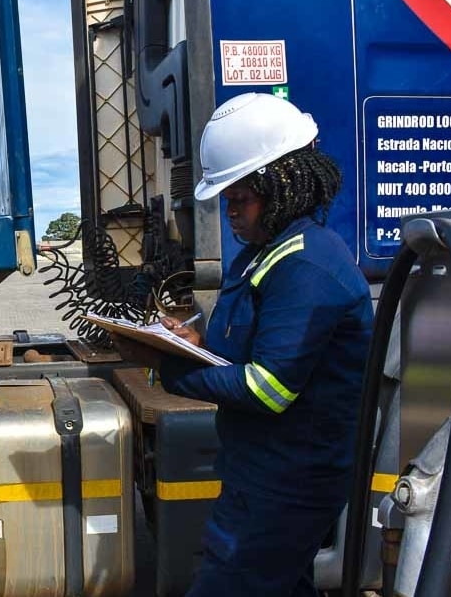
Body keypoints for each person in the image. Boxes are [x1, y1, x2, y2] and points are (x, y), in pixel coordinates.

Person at [111, 93, 373, 596]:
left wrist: (168, 369)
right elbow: (248, 342)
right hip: (261, 475)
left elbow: (269, 388)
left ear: (284, 186)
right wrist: (194, 340)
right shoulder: (263, 253)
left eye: (239, 199)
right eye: (226, 199)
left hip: (287, 486)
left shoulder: (306, 265)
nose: (229, 212)